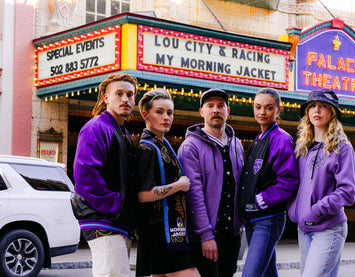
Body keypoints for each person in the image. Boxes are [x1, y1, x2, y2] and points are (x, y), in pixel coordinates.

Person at [72, 73, 138, 277]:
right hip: (103, 219)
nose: (125, 99)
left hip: (116, 221)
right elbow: (85, 175)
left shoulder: (121, 131)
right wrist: (117, 204)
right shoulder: (96, 127)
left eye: (130, 94)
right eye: (119, 93)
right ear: (106, 97)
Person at [288, 88, 355, 277]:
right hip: (304, 229)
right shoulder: (302, 146)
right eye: (312, 106)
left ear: (332, 112)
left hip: (329, 229)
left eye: (323, 106)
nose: (316, 110)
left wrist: (316, 209)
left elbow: (348, 192)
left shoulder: (342, 147)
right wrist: (295, 210)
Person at [178, 88, 244, 277]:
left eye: (221, 106)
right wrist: (206, 235)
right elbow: (194, 195)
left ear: (227, 111)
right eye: (210, 106)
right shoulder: (190, 146)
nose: (216, 110)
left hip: (232, 235)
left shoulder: (236, 144)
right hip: (206, 236)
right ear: (202, 112)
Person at [135, 88, 200, 277]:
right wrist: (178, 186)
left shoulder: (162, 144)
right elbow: (142, 194)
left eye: (169, 113)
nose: (166, 117)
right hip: (161, 233)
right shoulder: (147, 149)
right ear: (145, 115)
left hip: (168, 231)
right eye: (160, 112)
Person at [238, 87, 299, 277]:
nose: (262, 112)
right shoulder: (259, 138)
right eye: (258, 107)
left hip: (268, 219)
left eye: (268, 107)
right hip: (252, 220)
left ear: (278, 110)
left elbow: (289, 181)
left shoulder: (282, 139)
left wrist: (260, 200)